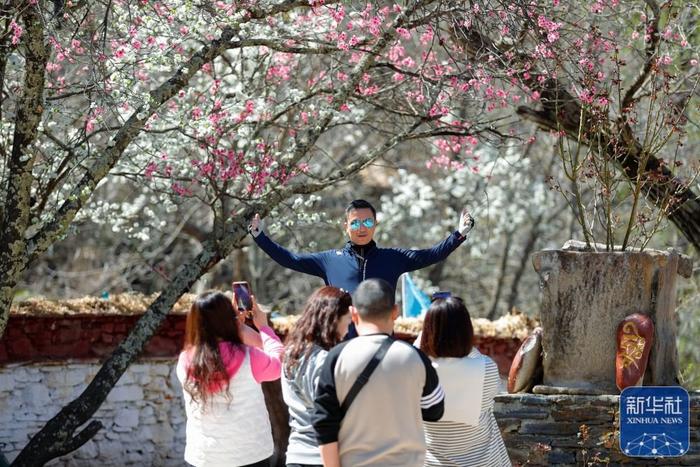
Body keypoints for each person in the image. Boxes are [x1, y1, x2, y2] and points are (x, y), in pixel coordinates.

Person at [311, 279, 445, 467]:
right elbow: (435, 410)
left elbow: (324, 423)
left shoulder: (336, 357)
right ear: (395, 312)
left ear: (353, 313)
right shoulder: (415, 357)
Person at [248, 199, 475, 294]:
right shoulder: (329, 260)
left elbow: (431, 255)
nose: (361, 227)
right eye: (355, 222)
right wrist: (260, 237)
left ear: (375, 224)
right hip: (341, 344)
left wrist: (458, 234)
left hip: (382, 343)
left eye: (367, 222)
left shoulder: (394, 258)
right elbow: (292, 260)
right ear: (346, 226)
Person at [176, 291, 284, 467]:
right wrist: (263, 327)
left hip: (204, 457)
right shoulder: (250, 357)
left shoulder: (184, 362)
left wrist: (234, 327)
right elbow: (278, 364)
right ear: (228, 319)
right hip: (250, 455)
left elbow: (215, 351)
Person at [418, 296, 511, 467]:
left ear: (427, 330)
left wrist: (424, 339)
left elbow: (418, 351)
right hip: (484, 462)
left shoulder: (417, 370)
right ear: (466, 330)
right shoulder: (486, 368)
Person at [282, 286, 353, 467]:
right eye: (348, 321)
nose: (347, 330)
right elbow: (328, 414)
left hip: (297, 452)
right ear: (333, 319)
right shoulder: (322, 361)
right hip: (321, 456)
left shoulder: (292, 352)